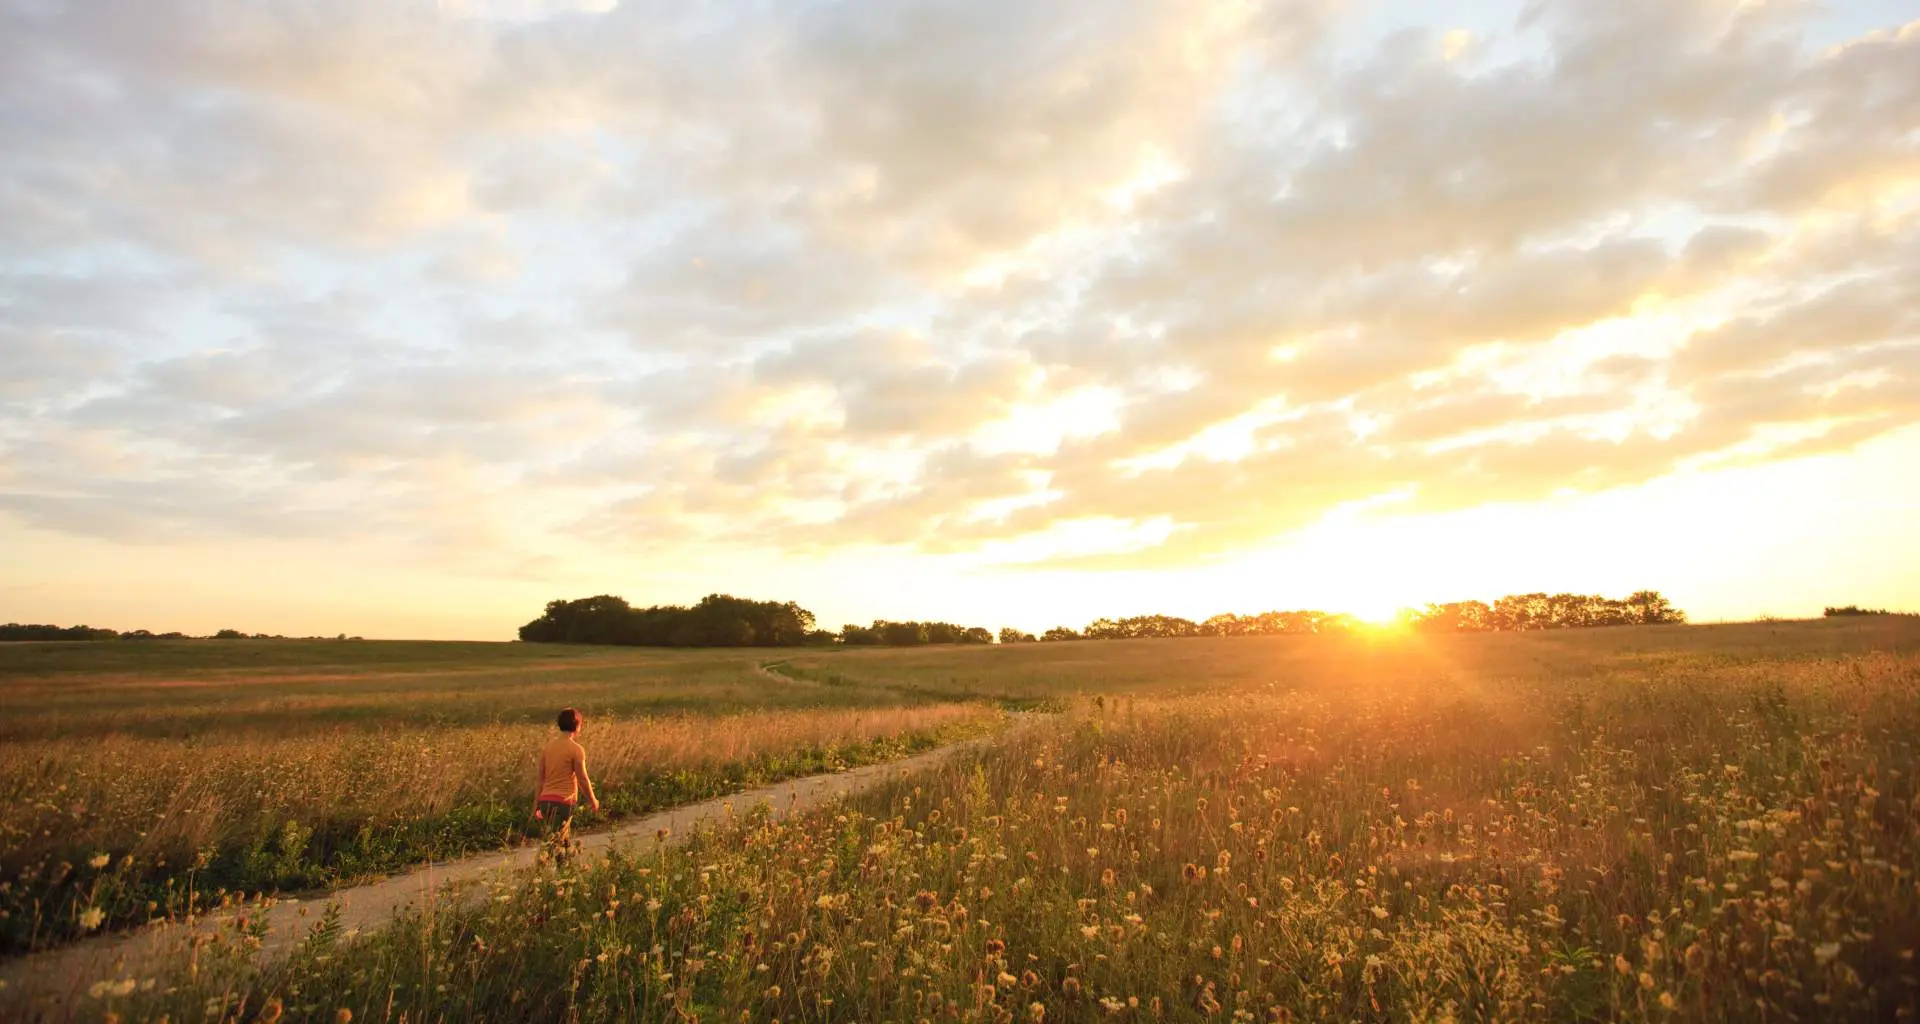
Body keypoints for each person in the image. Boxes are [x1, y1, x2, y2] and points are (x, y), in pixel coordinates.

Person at [533, 706, 600, 848]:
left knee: (557, 839)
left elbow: (541, 779)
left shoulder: (547, 748)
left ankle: (560, 867)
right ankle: (551, 866)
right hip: (563, 802)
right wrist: (592, 800)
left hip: (545, 801)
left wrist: (536, 804)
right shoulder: (576, 749)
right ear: (577, 726)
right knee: (557, 842)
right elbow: (582, 778)